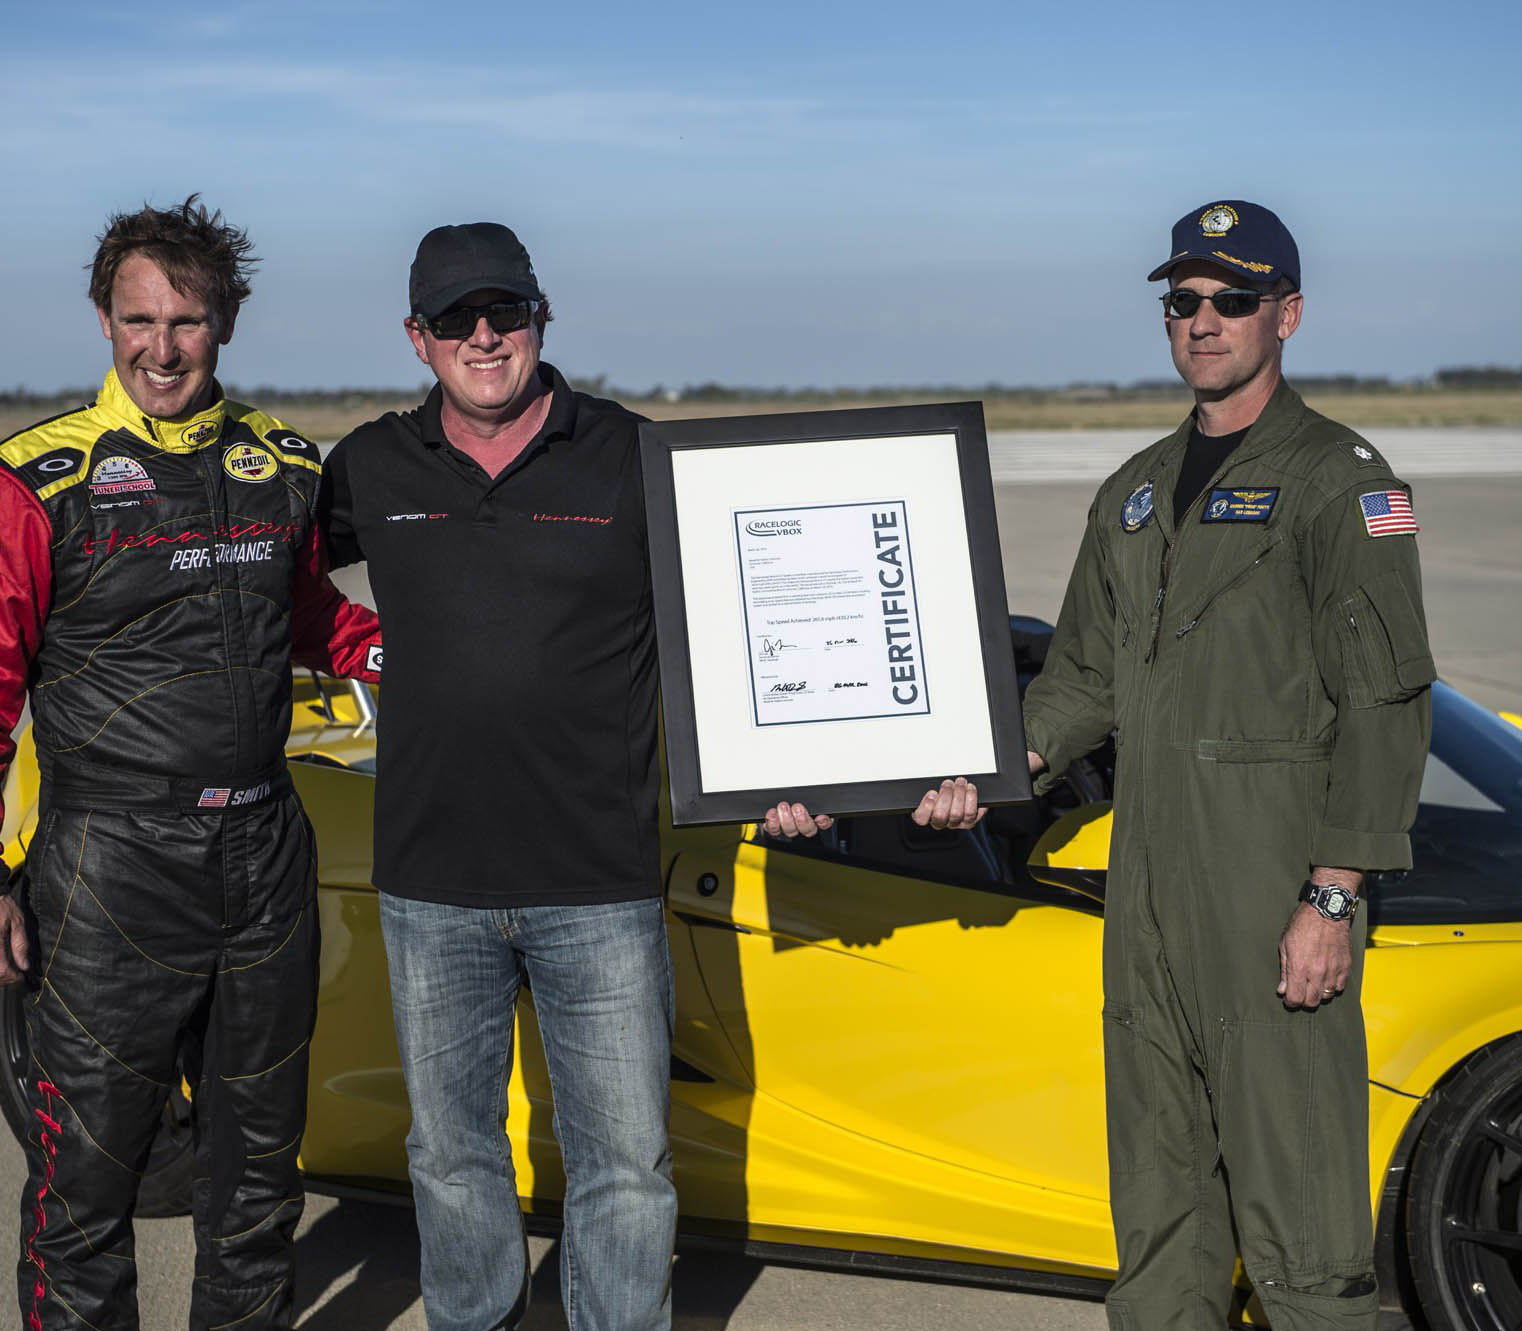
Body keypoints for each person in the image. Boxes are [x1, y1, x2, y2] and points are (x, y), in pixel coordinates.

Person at [320, 223, 971, 1331]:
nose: (485, 338)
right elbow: (271, 591)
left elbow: (744, 619)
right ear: (415, 337)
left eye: (505, 313)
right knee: (450, 1152)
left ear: (541, 318)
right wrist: (363, 649)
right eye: (456, 320)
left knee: (625, 1163)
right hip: (432, 882)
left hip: (600, 881)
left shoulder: (635, 455)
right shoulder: (368, 466)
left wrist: (806, 755)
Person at [0, 195, 380, 1331]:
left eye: (186, 320)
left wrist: (421, 653)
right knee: (83, 1183)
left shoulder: (280, 462)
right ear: (101, 317)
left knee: (259, 1177)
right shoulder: (34, 479)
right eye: (139, 319)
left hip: (264, 855)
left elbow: (310, 613)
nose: (161, 347)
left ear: (227, 318)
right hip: (108, 866)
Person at [1019, 200, 1433, 1330]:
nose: (1202, 322)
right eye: (1182, 302)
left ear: (1284, 314)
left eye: (1231, 300)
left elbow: (1385, 705)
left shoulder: (1337, 481)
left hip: (1267, 899)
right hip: (1145, 896)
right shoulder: (1136, 488)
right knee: (1157, 1226)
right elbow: (1081, 676)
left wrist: (1332, 892)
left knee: (1302, 1235)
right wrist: (1009, 751)